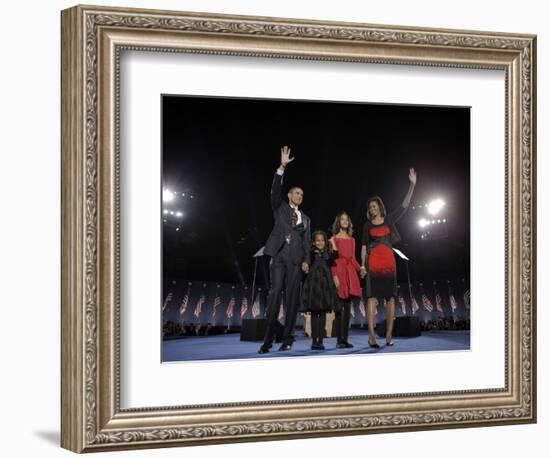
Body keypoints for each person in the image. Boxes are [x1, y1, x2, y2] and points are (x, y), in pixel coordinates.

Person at [258, 146, 311, 354]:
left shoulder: (306, 219)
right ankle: (267, 340)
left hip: (297, 261)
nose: (300, 196)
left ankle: (287, 339)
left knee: (291, 301)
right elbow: (274, 191)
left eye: (302, 194)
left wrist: (306, 259)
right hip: (279, 257)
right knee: (274, 297)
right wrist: (282, 167)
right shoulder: (279, 207)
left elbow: (307, 241)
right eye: (297, 193)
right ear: (289, 195)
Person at [360, 168, 417, 347]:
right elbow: (363, 246)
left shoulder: (389, 219)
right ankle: (371, 336)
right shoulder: (367, 225)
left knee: (390, 298)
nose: (372, 209)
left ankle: (389, 336)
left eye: (375, 206)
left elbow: (404, 206)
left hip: (389, 264)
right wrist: (363, 265)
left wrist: (412, 185)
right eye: (370, 207)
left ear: (380, 207)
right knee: (371, 298)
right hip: (373, 264)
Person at [299, 230, 340, 350]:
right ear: (314, 242)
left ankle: (320, 341)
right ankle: (314, 341)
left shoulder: (328, 254)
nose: (320, 242)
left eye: (322, 240)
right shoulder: (311, 254)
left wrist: (332, 242)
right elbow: (306, 263)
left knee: (322, 313)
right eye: (318, 240)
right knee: (313, 313)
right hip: (313, 286)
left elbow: (336, 256)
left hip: (325, 286)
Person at [329, 212, 362, 348]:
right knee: (339, 308)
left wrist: (361, 269)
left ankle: (345, 339)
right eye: (342, 219)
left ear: (349, 223)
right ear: (338, 222)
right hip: (339, 272)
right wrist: (335, 276)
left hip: (350, 273)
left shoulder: (352, 240)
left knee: (348, 308)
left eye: (346, 220)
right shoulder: (333, 239)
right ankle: (338, 341)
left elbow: (353, 259)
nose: (344, 221)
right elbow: (332, 260)